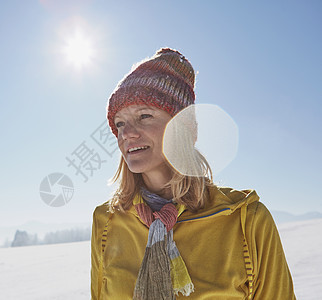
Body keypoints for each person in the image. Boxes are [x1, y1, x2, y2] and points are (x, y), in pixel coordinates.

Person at [90, 48, 295, 299]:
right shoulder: (107, 221)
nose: (127, 133)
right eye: (120, 123)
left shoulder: (246, 220)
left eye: (144, 116)